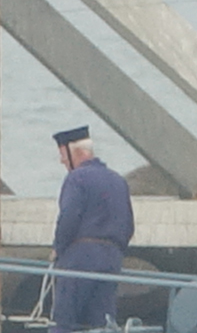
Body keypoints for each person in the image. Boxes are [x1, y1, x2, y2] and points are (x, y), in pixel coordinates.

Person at [50, 126, 133, 333]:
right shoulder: (118, 181)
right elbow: (128, 226)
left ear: (75, 153)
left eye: (62, 155)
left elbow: (68, 218)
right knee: (103, 323)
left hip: (80, 258)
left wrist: (58, 249)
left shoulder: (77, 178)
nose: (62, 161)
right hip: (112, 260)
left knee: (64, 321)